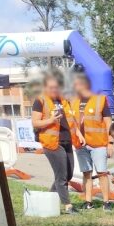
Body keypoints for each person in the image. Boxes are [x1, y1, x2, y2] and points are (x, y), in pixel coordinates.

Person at [31, 71, 77, 214]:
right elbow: (35, 122)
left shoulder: (64, 100)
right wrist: (50, 120)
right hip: (52, 144)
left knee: (68, 175)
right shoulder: (40, 101)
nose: (54, 90)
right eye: (51, 88)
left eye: (56, 87)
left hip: (67, 141)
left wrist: (79, 134)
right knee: (61, 176)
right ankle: (68, 206)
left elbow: (71, 120)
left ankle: (48, 199)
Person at [70, 74, 113, 212]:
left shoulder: (100, 100)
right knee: (86, 173)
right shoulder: (74, 101)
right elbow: (72, 121)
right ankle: (88, 202)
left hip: (99, 143)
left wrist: (110, 142)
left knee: (102, 173)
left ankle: (106, 202)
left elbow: (108, 122)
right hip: (81, 144)